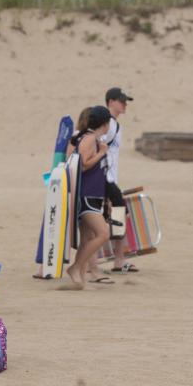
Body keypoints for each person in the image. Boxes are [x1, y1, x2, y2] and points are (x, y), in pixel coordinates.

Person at [65, 106, 114, 288]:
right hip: (86, 195)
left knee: (87, 237)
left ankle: (80, 277)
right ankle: (76, 267)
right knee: (102, 233)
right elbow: (83, 165)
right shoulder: (90, 139)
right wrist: (102, 152)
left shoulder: (88, 138)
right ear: (105, 123)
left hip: (92, 194)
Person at [103, 87, 138, 274]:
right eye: (121, 101)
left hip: (109, 179)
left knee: (116, 215)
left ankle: (118, 260)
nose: (125, 104)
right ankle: (118, 260)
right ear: (110, 102)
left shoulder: (115, 124)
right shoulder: (107, 123)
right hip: (103, 179)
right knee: (116, 214)